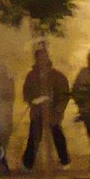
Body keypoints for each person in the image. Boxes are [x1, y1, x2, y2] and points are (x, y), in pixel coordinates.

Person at [21, 39, 71, 170]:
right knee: (33, 137)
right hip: (37, 111)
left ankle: (65, 160)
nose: (41, 59)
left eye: (44, 56)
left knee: (57, 136)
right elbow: (26, 91)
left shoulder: (57, 76)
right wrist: (32, 100)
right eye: (39, 57)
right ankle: (28, 163)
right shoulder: (31, 75)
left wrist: (58, 110)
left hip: (52, 111)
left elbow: (63, 94)